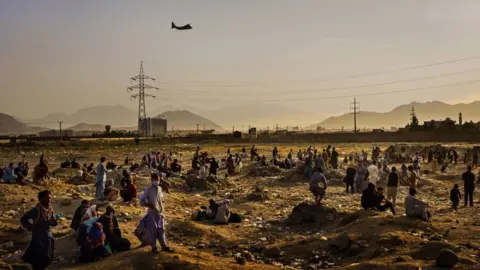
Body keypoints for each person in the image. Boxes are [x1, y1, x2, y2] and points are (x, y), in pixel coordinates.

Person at [20, 190, 58, 270]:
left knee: (48, 255)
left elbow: (53, 222)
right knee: (39, 255)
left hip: (48, 235)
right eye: (47, 198)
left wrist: (54, 222)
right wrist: (30, 227)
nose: (49, 200)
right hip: (38, 235)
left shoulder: (50, 210)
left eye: (50, 198)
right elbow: (23, 219)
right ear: (41, 199)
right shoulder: (35, 210)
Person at [140, 173, 173, 253]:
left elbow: (161, 199)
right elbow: (142, 201)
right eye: (155, 180)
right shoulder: (147, 190)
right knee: (153, 230)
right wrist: (149, 205)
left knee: (161, 230)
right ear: (152, 180)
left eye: (158, 180)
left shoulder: (159, 188)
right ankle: (154, 247)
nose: (157, 181)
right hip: (152, 213)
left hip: (160, 212)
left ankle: (163, 245)